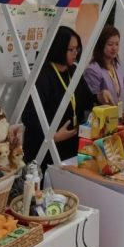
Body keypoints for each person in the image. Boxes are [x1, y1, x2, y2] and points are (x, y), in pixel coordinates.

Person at [21, 26, 91, 170]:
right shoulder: (42, 76)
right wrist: (51, 136)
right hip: (45, 150)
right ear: (58, 48)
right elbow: (28, 116)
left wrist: (100, 97)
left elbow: (86, 99)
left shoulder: (73, 71)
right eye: (70, 50)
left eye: (76, 49)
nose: (75, 53)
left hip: (70, 147)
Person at [83, 25, 124, 107]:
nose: (114, 48)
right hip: (103, 117)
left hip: (117, 114)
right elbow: (91, 100)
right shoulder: (92, 70)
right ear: (101, 45)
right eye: (110, 44)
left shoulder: (115, 64)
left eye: (117, 44)